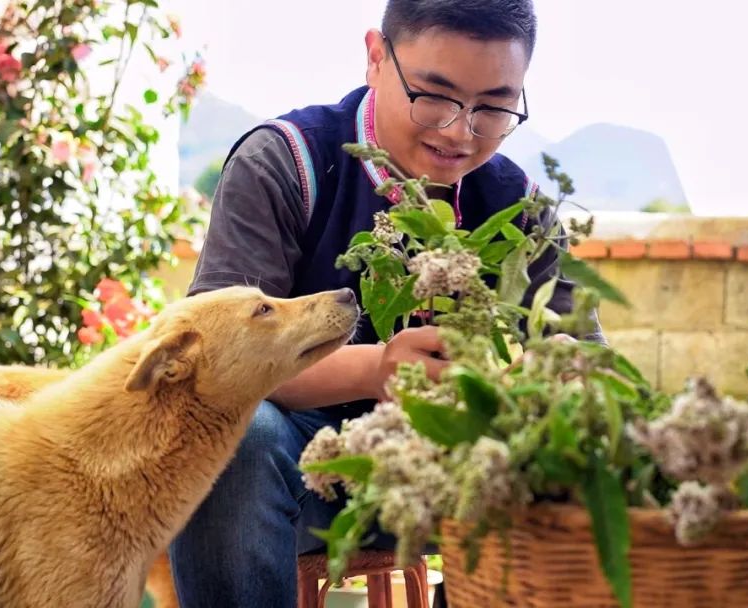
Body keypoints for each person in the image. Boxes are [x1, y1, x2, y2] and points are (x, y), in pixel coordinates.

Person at [167, 1, 603, 606]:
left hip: (459, 481)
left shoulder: (522, 212)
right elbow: (218, 358)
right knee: (239, 435)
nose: (460, 130)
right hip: (297, 482)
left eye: (495, 106)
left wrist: (552, 375)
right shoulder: (287, 164)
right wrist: (377, 368)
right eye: (435, 95)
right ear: (376, 57)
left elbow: (590, 368)